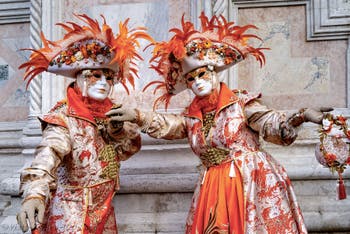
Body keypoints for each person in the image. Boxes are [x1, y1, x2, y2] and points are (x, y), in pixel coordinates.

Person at [107, 13, 332, 233]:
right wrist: (136, 115)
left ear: (214, 73)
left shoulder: (241, 103)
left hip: (248, 182)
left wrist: (301, 116)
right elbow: (169, 125)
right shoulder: (192, 115)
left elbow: (269, 122)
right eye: (191, 78)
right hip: (213, 185)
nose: (197, 82)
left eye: (202, 74)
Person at [16, 14, 152, 233]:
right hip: (72, 213)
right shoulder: (64, 117)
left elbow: (129, 149)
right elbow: (47, 156)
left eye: (109, 78)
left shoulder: (112, 112)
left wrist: (118, 133)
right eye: (94, 75)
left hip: (104, 209)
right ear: (79, 77)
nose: (103, 83)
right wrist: (34, 193)